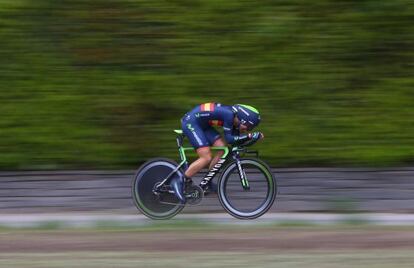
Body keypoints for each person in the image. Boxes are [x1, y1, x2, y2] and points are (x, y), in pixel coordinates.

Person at [171, 103, 264, 203]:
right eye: (249, 127)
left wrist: (253, 138)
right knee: (206, 157)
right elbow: (230, 139)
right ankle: (179, 181)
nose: (247, 130)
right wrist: (250, 136)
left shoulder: (235, 120)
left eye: (250, 129)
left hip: (203, 124)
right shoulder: (229, 115)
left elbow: (235, 142)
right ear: (243, 119)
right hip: (191, 122)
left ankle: (208, 182)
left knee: (223, 149)